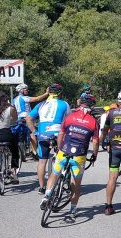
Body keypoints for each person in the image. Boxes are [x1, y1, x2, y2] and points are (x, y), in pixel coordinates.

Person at [40, 93, 100, 221]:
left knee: (54, 174)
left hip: (64, 151)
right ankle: (72, 211)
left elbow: (61, 134)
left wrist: (59, 147)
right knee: (76, 184)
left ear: (80, 103)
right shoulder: (93, 121)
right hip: (79, 156)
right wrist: (94, 154)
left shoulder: (70, 116)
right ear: (92, 106)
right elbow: (95, 142)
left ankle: (47, 195)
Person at [26, 83, 71, 194]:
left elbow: (28, 118)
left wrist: (34, 132)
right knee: (64, 157)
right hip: (57, 134)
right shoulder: (64, 104)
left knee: (42, 161)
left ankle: (42, 187)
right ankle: (64, 182)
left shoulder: (41, 104)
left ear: (48, 91)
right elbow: (69, 121)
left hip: (43, 134)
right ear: (60, 93)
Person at [11, 83, 47, 161]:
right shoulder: (24, 98)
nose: (27, 90)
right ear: (21, 91)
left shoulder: (14, 99)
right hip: (26, 117)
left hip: (18, 118)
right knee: (33, 134)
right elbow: (37, 99)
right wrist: (46, 93)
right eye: (25, 89)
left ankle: (21, 150)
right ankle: (34, 152)